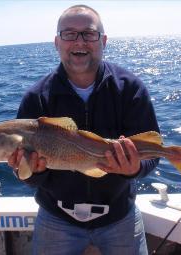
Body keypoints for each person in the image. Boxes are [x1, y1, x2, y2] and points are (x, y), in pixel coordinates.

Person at [8, 5, 160, 255]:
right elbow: (31, 177)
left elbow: (152, 153)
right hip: (56, 217)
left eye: (89, 34)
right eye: (69, 34)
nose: (79, 41)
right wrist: (29, 172)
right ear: (57, 42)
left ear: (104, 40)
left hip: (120, 216)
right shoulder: (36, 98)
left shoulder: (130, 88)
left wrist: (134, 169)